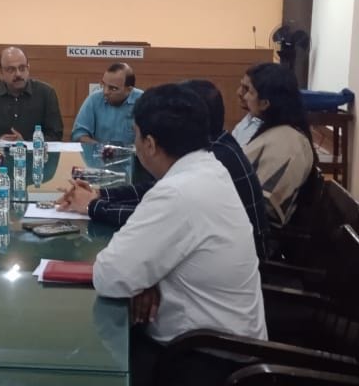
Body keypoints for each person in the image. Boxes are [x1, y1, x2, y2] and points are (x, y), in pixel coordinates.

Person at [85, 84, 267, 383]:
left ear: (151, 144)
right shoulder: (208, 168)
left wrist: (141, 277)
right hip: (228, 347)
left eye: (135, 135)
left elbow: (110, 276)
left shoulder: (178, 192)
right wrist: (148, 277)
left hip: (203, 360)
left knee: (93, 360)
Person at [57, 80, 270, 257]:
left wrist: (93, 206)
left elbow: (112, 273)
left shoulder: (212, 162)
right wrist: (101, 194)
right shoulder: (211, 152)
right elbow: (155, 193)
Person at [240, 62, 316, 228]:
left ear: (265, 103)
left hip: (261, 235)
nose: (245, 97)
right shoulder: (277, 129)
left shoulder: (288, 143)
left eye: (251, 92)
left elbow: (266, 207)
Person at [0, 46, 64, 143]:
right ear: (0, 72)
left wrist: (25, 144)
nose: (18, 74)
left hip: (34, 157)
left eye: (22, 68)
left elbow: (55, 135)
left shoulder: (46, 93)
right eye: (11, 69)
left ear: (28, 68)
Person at [71, 62, 143, 145]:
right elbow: (78, 134)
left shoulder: (143, 102)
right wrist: (102, 148)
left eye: (113, 88)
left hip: (134, 156)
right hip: (98, 155)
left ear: (129, 90)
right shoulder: (94, 99)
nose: (105, 92)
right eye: (103, 85)